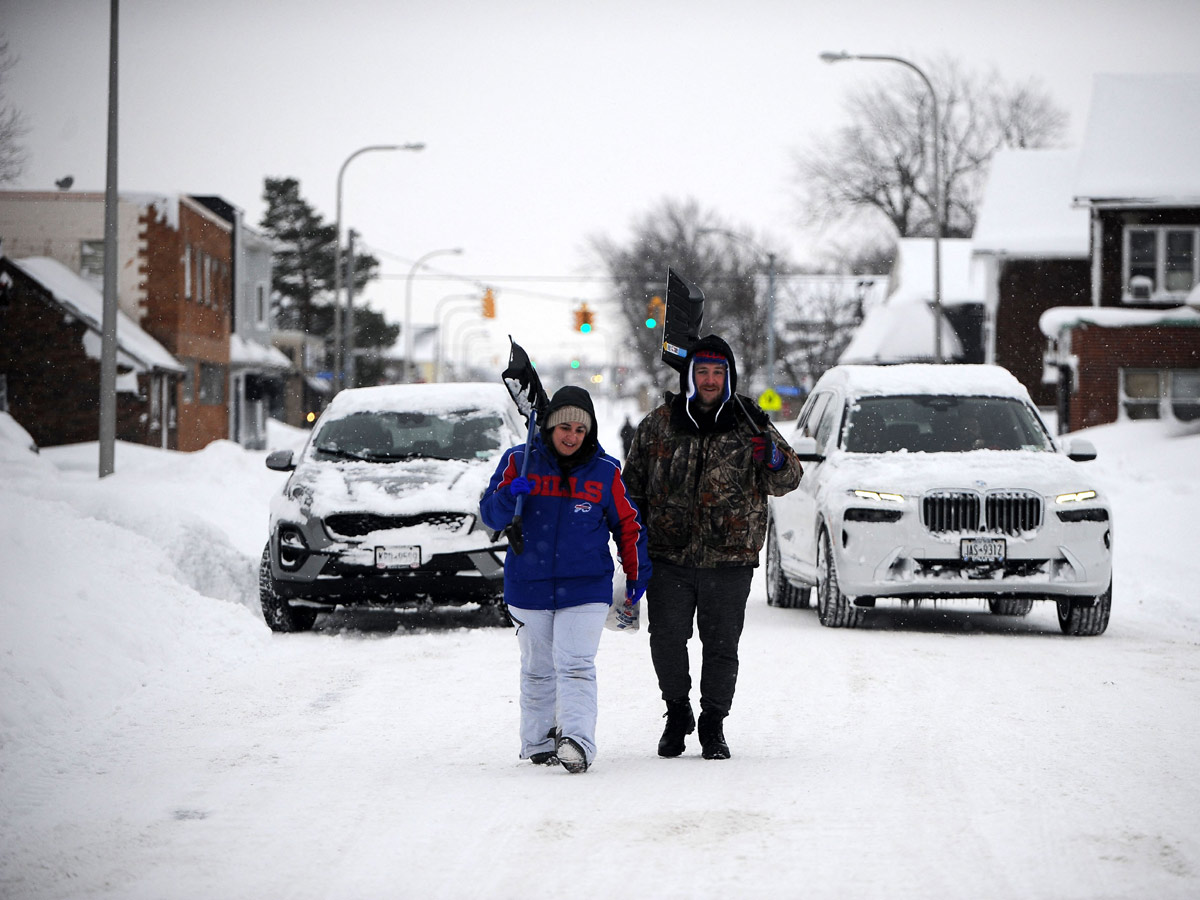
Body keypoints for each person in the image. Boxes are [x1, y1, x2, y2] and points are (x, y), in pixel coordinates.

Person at [623, 335, 802, 760]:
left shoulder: (749, 421)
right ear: (689, 375)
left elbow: (788, 479)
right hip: (669, 555)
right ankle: (677, 712)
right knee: (666, 639)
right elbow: (631, 487)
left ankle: (713, 723)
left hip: (730, 557)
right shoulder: (660, 423)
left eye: (717, 372)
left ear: (729, 376)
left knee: (721, 646)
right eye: (702, 371)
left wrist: (772, 458)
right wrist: (630, 540)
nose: (709, 380)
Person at [480, 385, 650, 774]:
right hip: (528, 584)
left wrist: (636, 573)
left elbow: (628, 527)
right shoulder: (518, 462)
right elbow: (490, 516)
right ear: (549, 427)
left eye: (580, 429)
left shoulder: (605, 472)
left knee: (574, 663)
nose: (571, 436)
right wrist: (508, 495)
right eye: (564, 428)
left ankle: (577, 742)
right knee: (538, 667)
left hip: (586, 587)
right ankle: (539, 740)